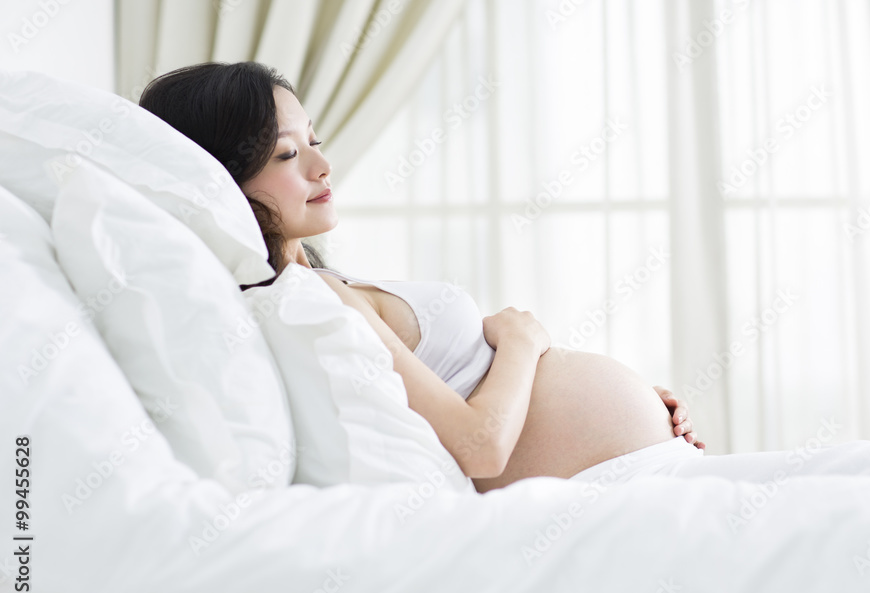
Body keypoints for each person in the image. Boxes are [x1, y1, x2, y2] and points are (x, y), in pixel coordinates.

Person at [139, 61, 706, 493]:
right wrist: (523, 342)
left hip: (629, 469)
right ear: (220, 179)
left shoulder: (320, 282)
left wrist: (636, 408)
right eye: (286, 155)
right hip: (604, 486)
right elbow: (479, 448)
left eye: (314, 141)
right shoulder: (311, 301)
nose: (321, 165)